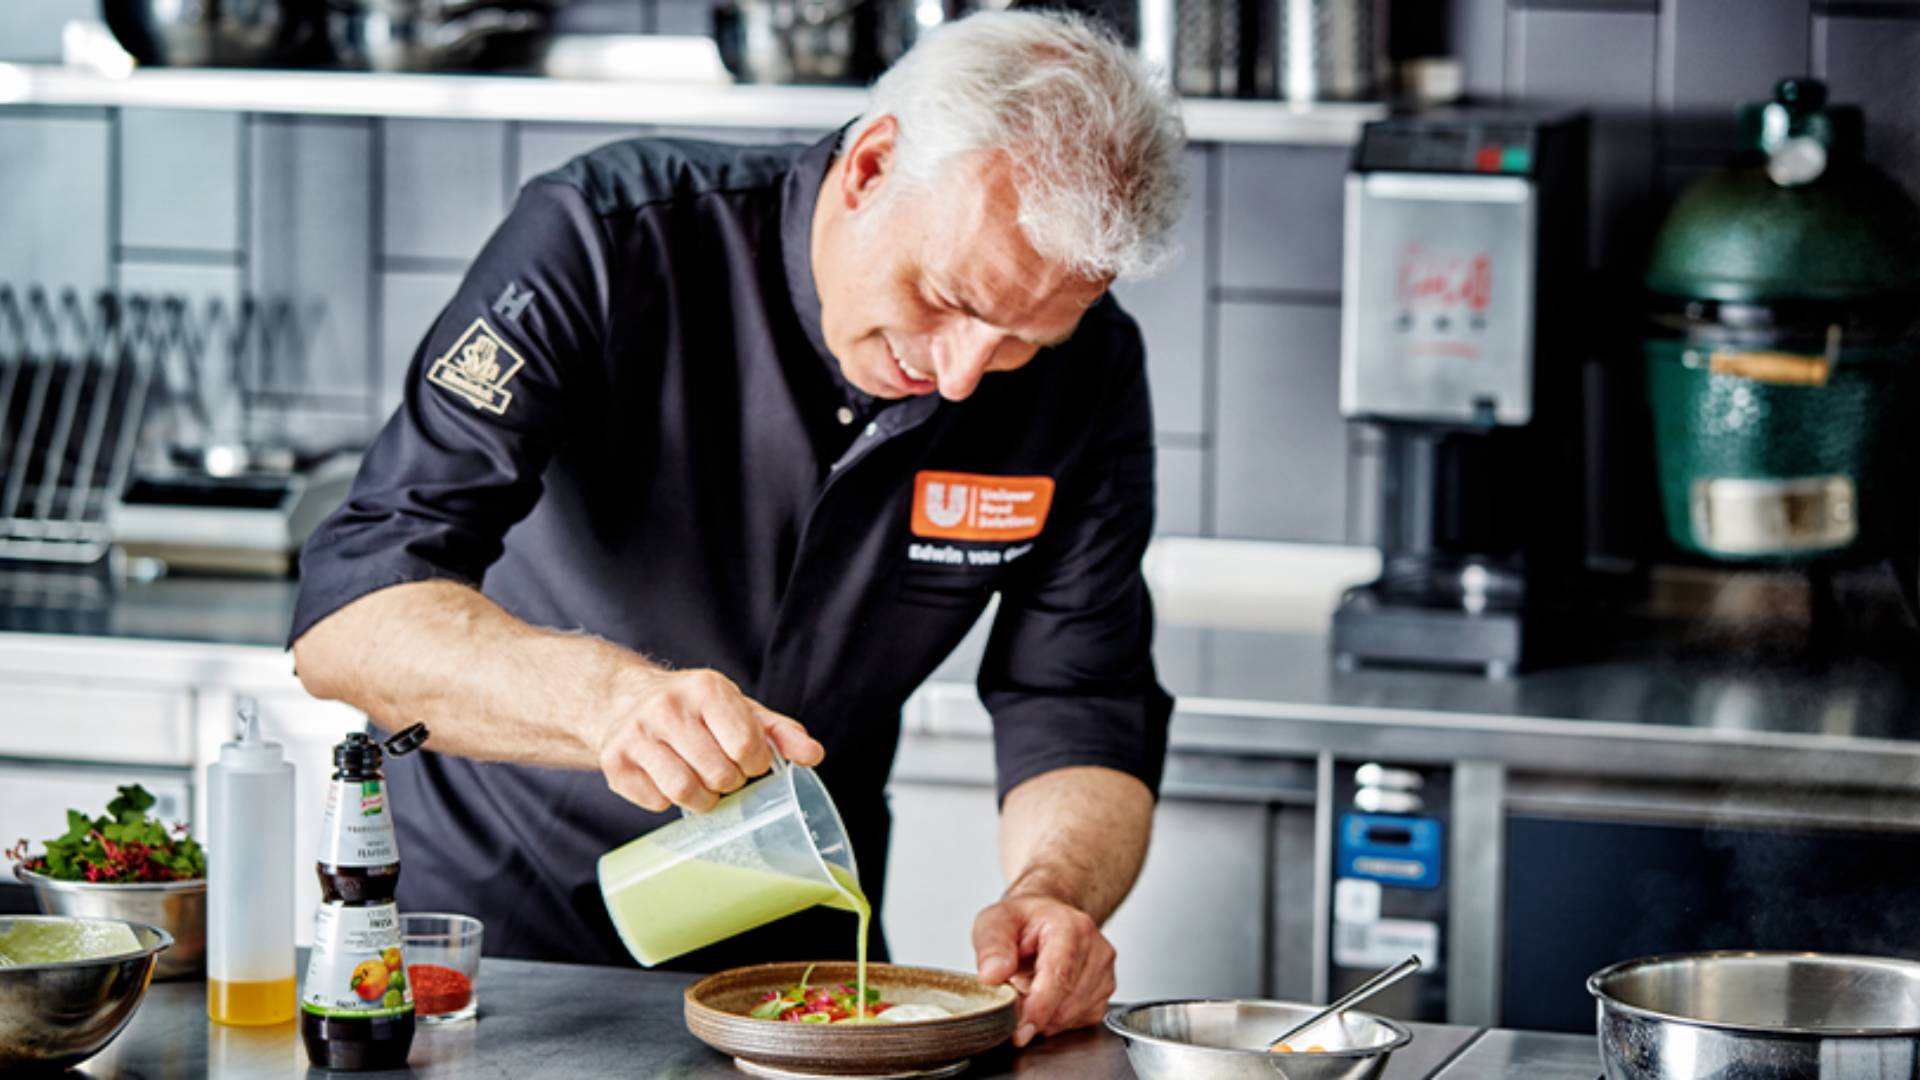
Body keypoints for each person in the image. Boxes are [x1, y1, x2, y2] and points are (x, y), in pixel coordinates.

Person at [289, 9, 1185, 1046]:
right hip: (495, 948)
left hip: (798, 975)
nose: (962, 375)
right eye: (944, 298)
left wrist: (1053, 890)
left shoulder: (1090, 373)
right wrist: (613, 706)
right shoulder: (607, 239)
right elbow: (352, 613)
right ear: (872, 167)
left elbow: (1080, 695)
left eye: (1024, 339)